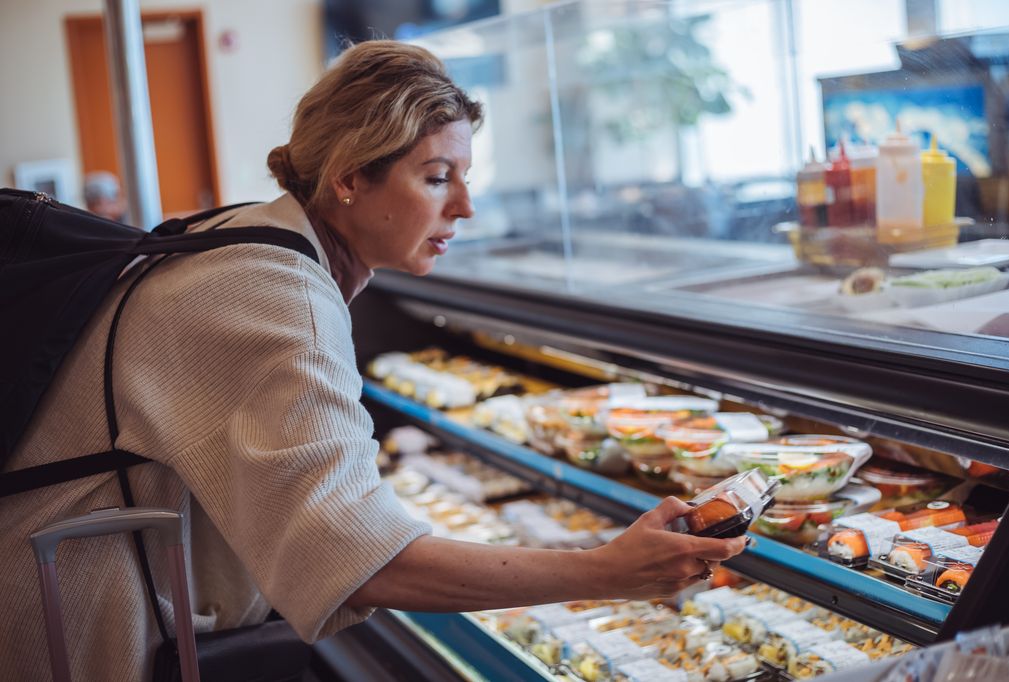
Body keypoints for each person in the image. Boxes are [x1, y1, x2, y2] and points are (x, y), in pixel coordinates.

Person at [0, 40, 745, 679]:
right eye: (436, 177)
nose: (465, 207)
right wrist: (608, 572)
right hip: (64, 630)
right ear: (351, 178)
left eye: (465, 176)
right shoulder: (269, 292)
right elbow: (366, 560)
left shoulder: (243, 234)